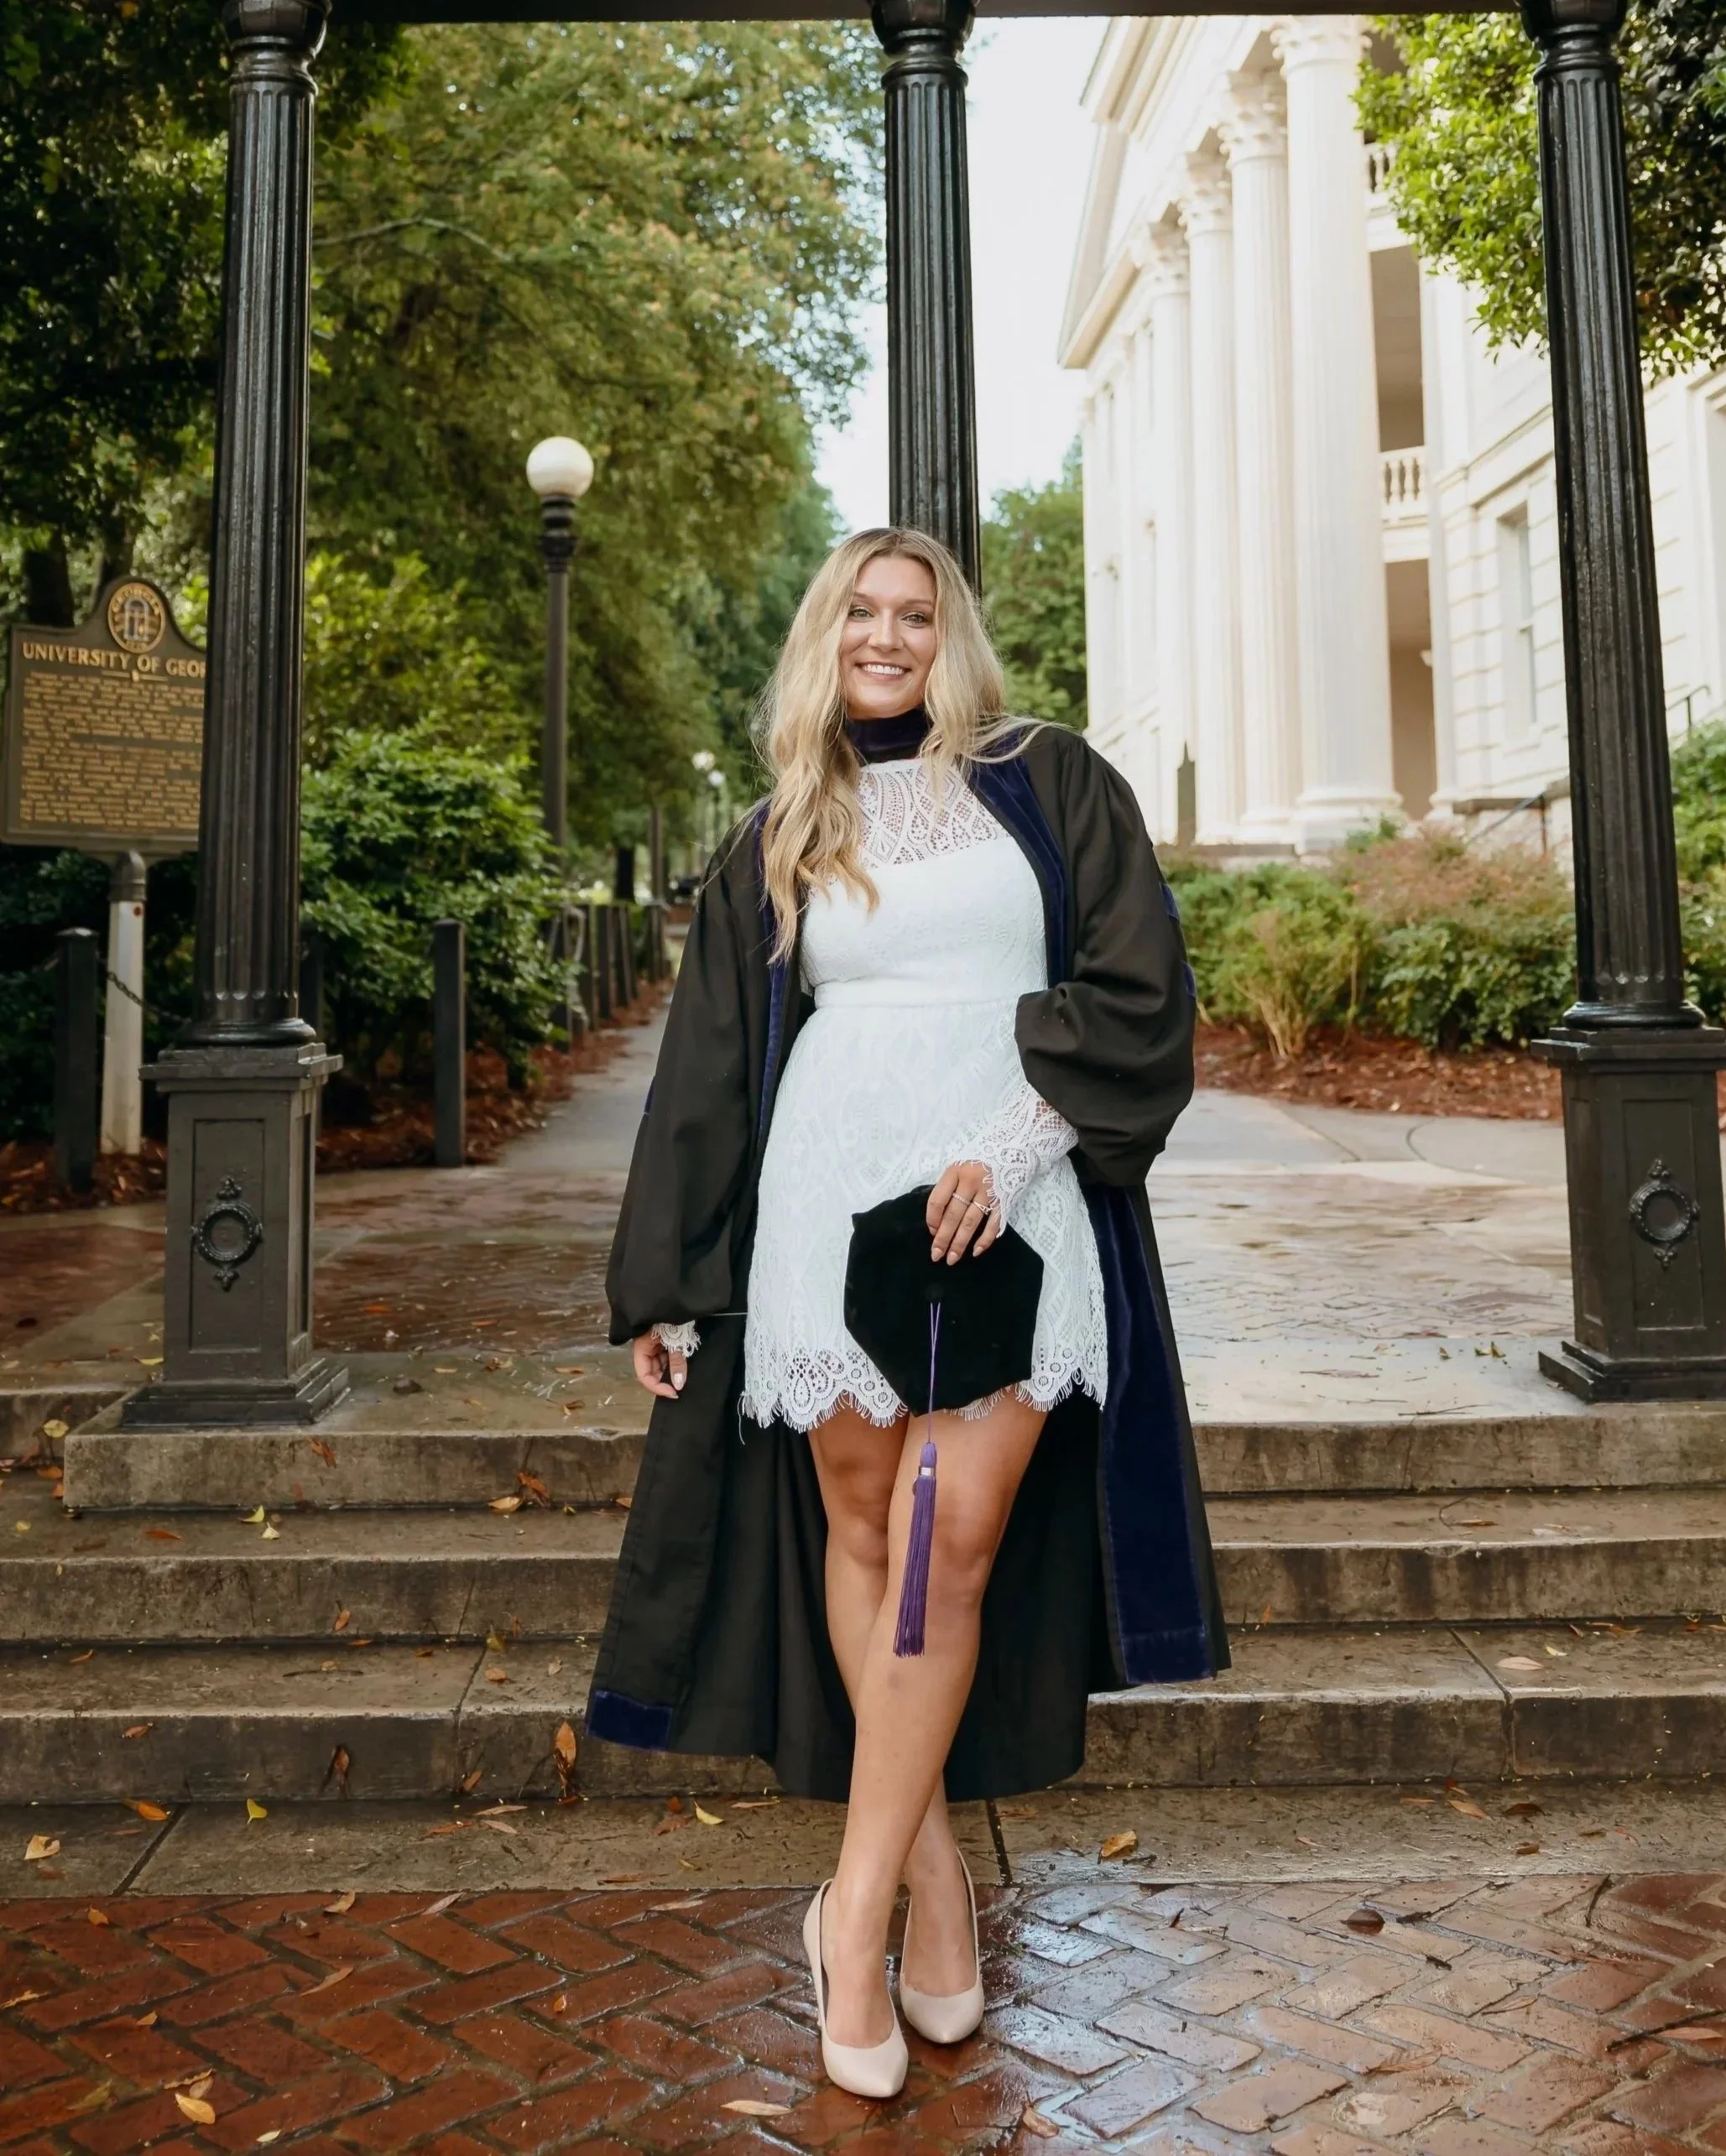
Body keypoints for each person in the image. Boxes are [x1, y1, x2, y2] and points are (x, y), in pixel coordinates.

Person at [591, 527, 1226, 2098]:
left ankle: (850, 1902)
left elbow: (1145, 987)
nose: (887, 637)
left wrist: (1014, 1149)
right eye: (861, 612)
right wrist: (667, 1280)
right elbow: (714, 1063)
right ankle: (934, 1877)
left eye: (914, 614)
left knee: (953, 1540)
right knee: (865, 1532)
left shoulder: (1044, 780)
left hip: (1002, 1193)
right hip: (828, 1187)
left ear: (954, 638)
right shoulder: (785, 825)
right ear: (828, 633)